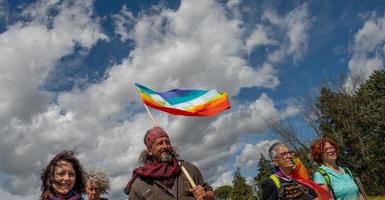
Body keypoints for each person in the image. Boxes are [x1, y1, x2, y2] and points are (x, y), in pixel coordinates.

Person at [124, 126, 215, 200]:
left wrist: (206, 195)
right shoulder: (139, 184)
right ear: (150, 151)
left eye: (167, 142)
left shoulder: (189, 170)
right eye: (160, 143)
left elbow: (210, 193)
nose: (165, 146)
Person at [261, 141, 331, 200]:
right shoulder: (271, 184)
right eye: (283, 154)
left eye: (290, 153)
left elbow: (314, 195)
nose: (289, 156)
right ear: (275, 162)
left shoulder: (299, 177)